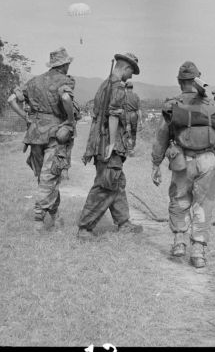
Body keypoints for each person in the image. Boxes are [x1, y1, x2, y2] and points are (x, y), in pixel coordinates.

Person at [150, 61, 215, 268]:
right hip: (208, 160)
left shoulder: (172, 105)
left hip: (182, 160)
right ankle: (198, 251)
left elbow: (161, 136)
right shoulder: (210, 104)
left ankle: (179, 242)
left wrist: (155, 163)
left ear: (179, 81)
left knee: (179, 199)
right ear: (197, 79)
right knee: (203, 205)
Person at [8, 47, 76, 232]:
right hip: (56, 133)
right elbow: (65, 97)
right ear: (64, 65)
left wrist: (26, 117)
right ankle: (39, 217)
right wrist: (69, 120)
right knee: (49, 176)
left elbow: (11, 100)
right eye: (68, 63)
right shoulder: (65, 80)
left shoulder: (33, 82)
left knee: (45, 177)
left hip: (35, 133)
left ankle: (54, 214)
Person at [77, 52, 144, 239]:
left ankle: (123, 223)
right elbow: (113, 115)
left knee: (117, 182)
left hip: (101, 140)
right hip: (109, 143)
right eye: (132, 72)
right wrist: (113, 143)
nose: (131, 76)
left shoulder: (104, 85)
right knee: (106, 184)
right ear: (126, 68)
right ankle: (85, 227)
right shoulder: (117, 87)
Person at [124, 80, 141, 154]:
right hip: (134, 116)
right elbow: (139, 110)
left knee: (127, 132)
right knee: (134, 133)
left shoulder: (124, 96)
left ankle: (129, 149)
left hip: (127, 115)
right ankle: (132, 149)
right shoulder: (136, 96)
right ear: (132, 87)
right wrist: (140, 121)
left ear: (126, 88)